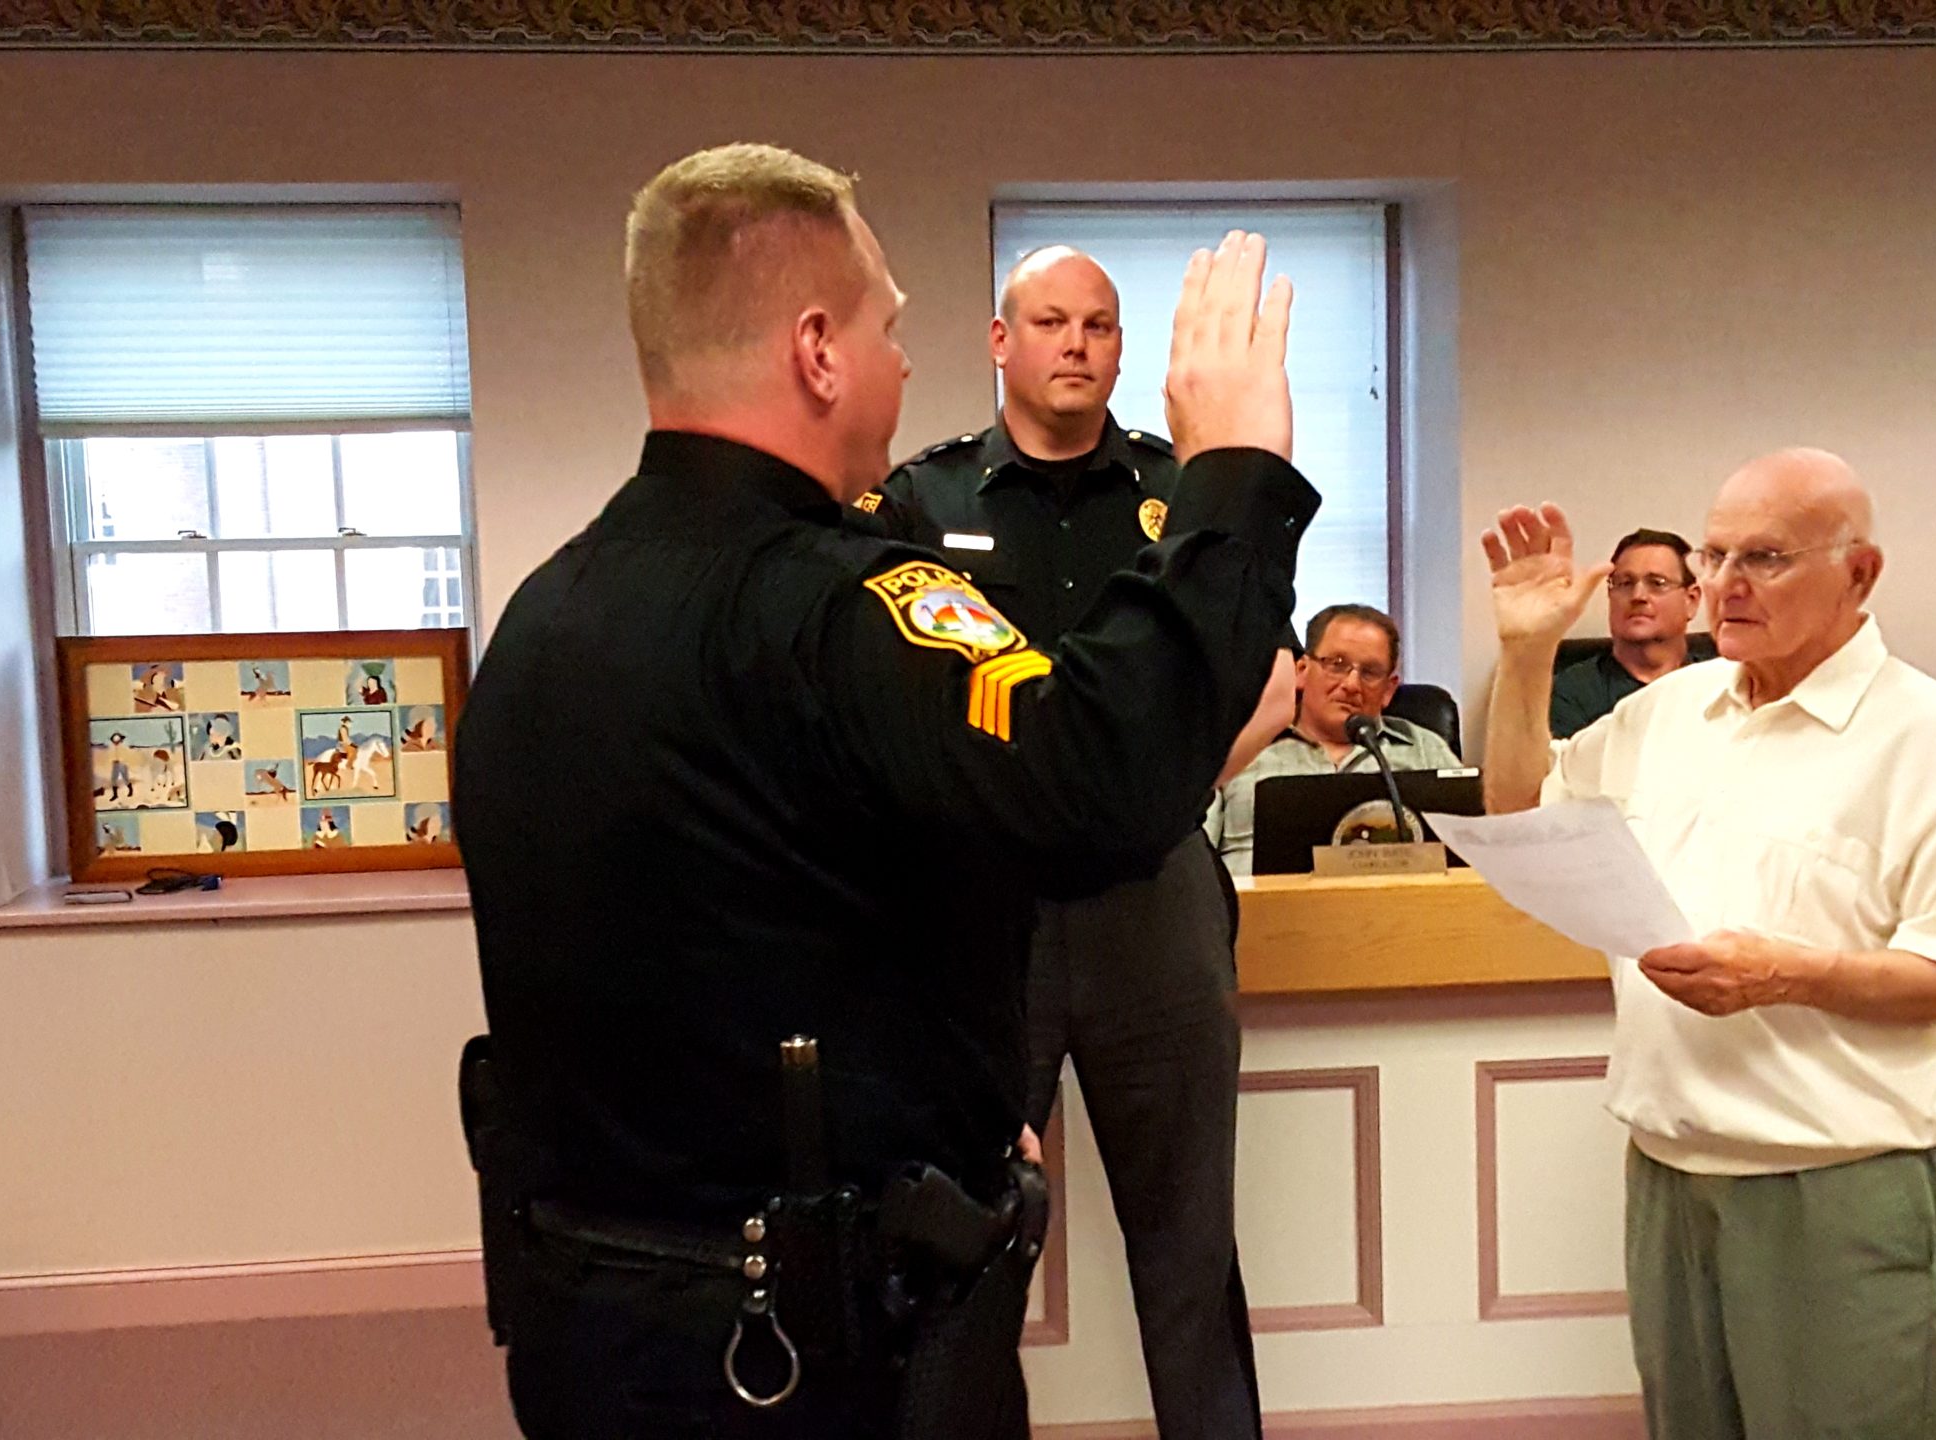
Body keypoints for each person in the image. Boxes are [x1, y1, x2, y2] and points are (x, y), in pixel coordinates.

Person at [454, 142, 1314, 1440]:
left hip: (593, 1321)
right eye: (888, 327)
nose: (906, 363)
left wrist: (954, 1107)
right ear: (816, 351)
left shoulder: (542, 617)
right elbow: (1103, 784)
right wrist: (1235, 477)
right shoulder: (846, 607)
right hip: (810, 1348)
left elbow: (764, 918)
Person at [1477, 450, 1936, 1440]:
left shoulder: (1924, 734)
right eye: (1712, 553)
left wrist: (1794, 975)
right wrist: (1523, 658)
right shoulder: (1676, 707)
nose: (1723, 584)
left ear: (1860, 573)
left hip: (1834, 1188)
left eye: (1762, 557)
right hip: (1669, 1174)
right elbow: (1515, 808)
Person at [881, 245, 1265, 1440]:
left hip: (1151, 891)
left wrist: (1147, 786)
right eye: (1051, 321)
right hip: (976, 912)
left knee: (1189, 1243)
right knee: (967, 1238)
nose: (1078, 345)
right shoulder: (920, 501)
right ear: (1001, 341)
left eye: (1099, 325)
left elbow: (1262, 670)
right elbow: (880, 695)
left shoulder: (1176, 494)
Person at [1208, 603, 1460, 876]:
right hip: (1257, 913)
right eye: (1337, 665)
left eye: (1370, 672)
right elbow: (1189, 858)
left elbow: (1471, 853)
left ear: (1389, 690)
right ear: (1302, 669)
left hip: (1395, 913)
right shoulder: (1243, 746)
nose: (1352, 684)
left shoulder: (1425, 749)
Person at [1547, 527, 1715, 738]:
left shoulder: (1718, 684)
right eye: (1625, 583)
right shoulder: (1571, 692)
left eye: (1656, 583)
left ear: (1691, 600)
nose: (1638, 595)